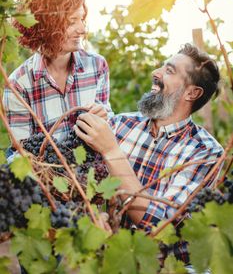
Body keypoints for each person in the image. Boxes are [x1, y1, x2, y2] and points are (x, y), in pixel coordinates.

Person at [74, 43, 223, 256]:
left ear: (191, 92)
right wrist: (92, 214)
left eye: (169, 71)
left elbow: (161, 226)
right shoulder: (120, 124)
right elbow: (85, 184)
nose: (156, 73)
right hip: (114, 260)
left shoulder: (205, 153)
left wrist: (112, 152)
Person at [3, 0, 112, 150]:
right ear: (46, 25)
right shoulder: (19, 84)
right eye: (72, 21)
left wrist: (105, 116)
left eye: (82, 19)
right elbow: (23, 152)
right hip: (48, 173)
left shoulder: (97, 66)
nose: (82, 29)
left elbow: (108, 124)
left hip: (90, 172)